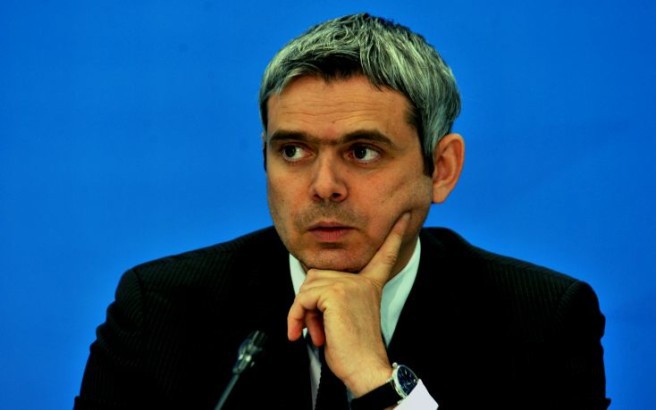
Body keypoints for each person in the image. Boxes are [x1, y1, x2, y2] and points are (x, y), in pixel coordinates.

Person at [74, 13, 610, 410]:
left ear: (441, 168)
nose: (324, 186)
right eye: (293, 151)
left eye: (362, 152)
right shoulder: (161, 310)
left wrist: (379, 382)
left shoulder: (541, 320)